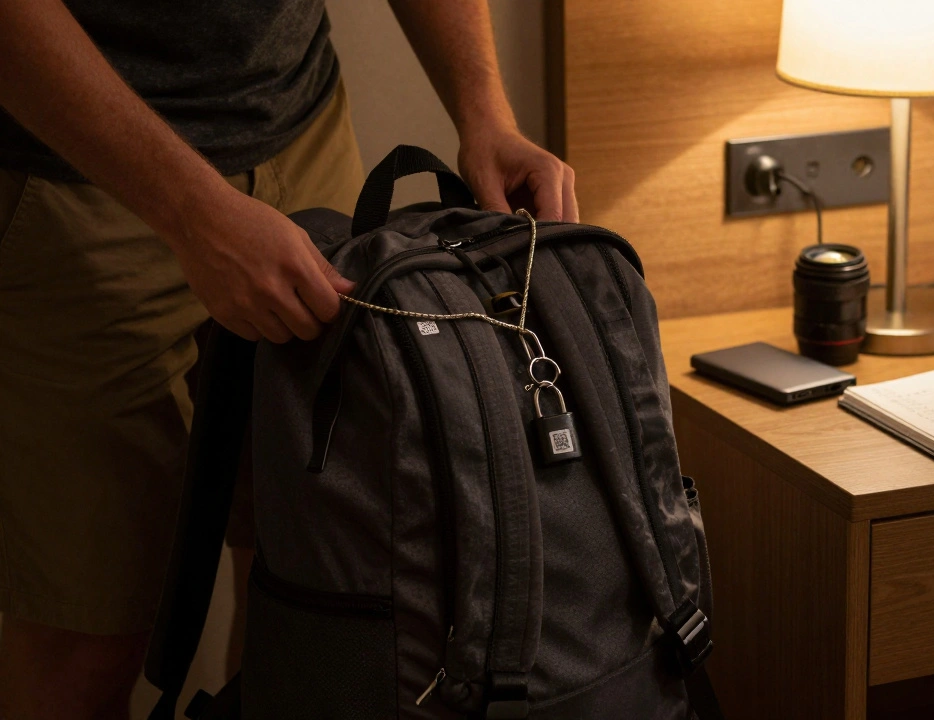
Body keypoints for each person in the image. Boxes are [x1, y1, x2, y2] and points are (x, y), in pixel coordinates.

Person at [0, 0, 577, 717]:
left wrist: (486, 112)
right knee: (85, 643)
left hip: (302, 131)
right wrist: (192, 213)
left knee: (309, 586)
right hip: (74, 173)